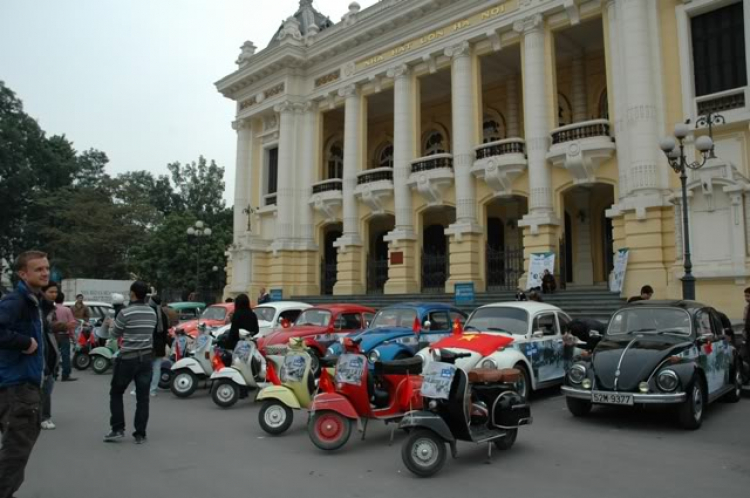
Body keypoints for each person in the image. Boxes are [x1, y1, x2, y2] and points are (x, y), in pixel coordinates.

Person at [0, 251, 51, 498]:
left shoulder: (32, 300)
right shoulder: (17, 300)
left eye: (46, 268)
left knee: (16, 449)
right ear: (23, 273)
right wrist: (24, 342)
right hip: (18, 386)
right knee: (16, 452)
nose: (45, 273)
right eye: (38, 269)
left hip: (22, 384)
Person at [104, 281, 157, 444]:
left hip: (127, 358)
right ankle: (140, 433)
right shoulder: (152, 312)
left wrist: (110, 324)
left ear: (132, 293)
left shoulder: (125, 313)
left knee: (116, 392)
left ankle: (118, 428)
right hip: (146, 358)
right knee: (143, 397)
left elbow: (114, 334)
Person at [40, 283, 61, 430]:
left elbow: (48, 329)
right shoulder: (39, 309)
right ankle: (44, 417)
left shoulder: (51, 309)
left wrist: (60, 326)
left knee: (47, 387)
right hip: (42, 353)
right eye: (50, 291)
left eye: (55, 292)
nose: (54, 294)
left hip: (51, 352)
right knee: (44, 388)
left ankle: (42, 415)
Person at [51, 290, 77, 381]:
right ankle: (65, 375)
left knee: (54, 354)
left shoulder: (52, 309)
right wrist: (73, 336)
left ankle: (54, 373)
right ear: (63, 299)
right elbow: (71, 324)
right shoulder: (67, 309)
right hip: (64, 335)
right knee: (65, 355)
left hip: (53, 335)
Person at [147, 295, 170, 397]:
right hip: (160, 345)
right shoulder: (162, 314)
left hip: (148, 344)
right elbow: (165, 332)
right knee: (156, 368)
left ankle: (138, 388)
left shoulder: (148, 313)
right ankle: (153, 390)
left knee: (145, 367)